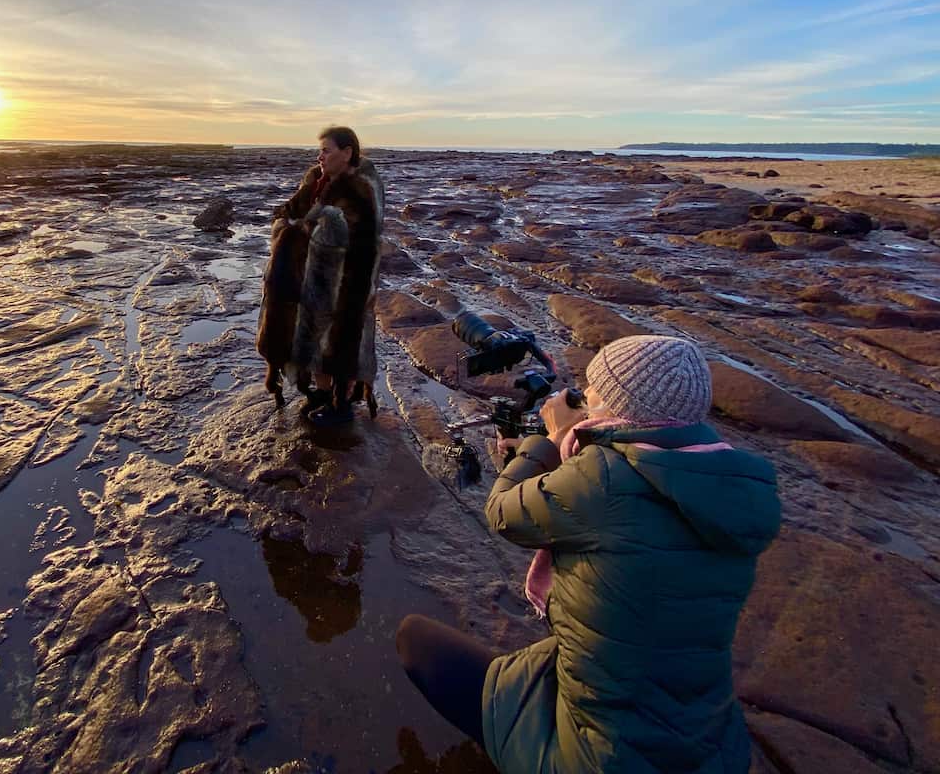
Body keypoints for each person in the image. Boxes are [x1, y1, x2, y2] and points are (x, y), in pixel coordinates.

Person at [396, 334, 782, 773]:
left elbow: (503, 512)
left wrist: (543, 445)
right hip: (711, 745)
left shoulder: (602, 480)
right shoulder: (731, 489)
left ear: (616, 408)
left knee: (415, 641)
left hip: (602, 756)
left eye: (591, 391)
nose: (581, 398)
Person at [256, 125, 384, 425]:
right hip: (313, 280)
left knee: (341, 342)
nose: (320, 156)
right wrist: (284, 225)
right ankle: (323, 396)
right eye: (320, 151)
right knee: (314, 341)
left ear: (347, 152)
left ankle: (342, 406)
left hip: (348, 281)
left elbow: (360, 237)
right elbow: (290, 209)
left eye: (326, 150)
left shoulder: (362, 186)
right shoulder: (316, 179)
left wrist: (305, 233)